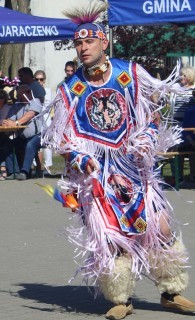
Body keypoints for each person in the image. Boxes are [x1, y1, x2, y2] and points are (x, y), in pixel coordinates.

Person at [42, 3, 195, 319]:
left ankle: (171, 291)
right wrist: (79, 155)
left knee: (160, 227)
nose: (83, 48)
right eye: (78, 43)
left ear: (103, 42)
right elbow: (63, 137)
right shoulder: (70, 89)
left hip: (134, 169)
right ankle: (120, 297)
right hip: (97, 176)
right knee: (112, 238)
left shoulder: (130, 73)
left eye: (89, 42)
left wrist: (148, 137)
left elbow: (151, 113)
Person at [34, 69, 54, 174]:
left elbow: (50, 106)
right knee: (35, 143)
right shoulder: (32, 91)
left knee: (47, 143)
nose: (39, 81)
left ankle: (47, 166)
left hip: (46, 118)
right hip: (35, 119)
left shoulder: (48, 91)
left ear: (44, 80)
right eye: (37, 79)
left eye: (41, 79)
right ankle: (36, 166)